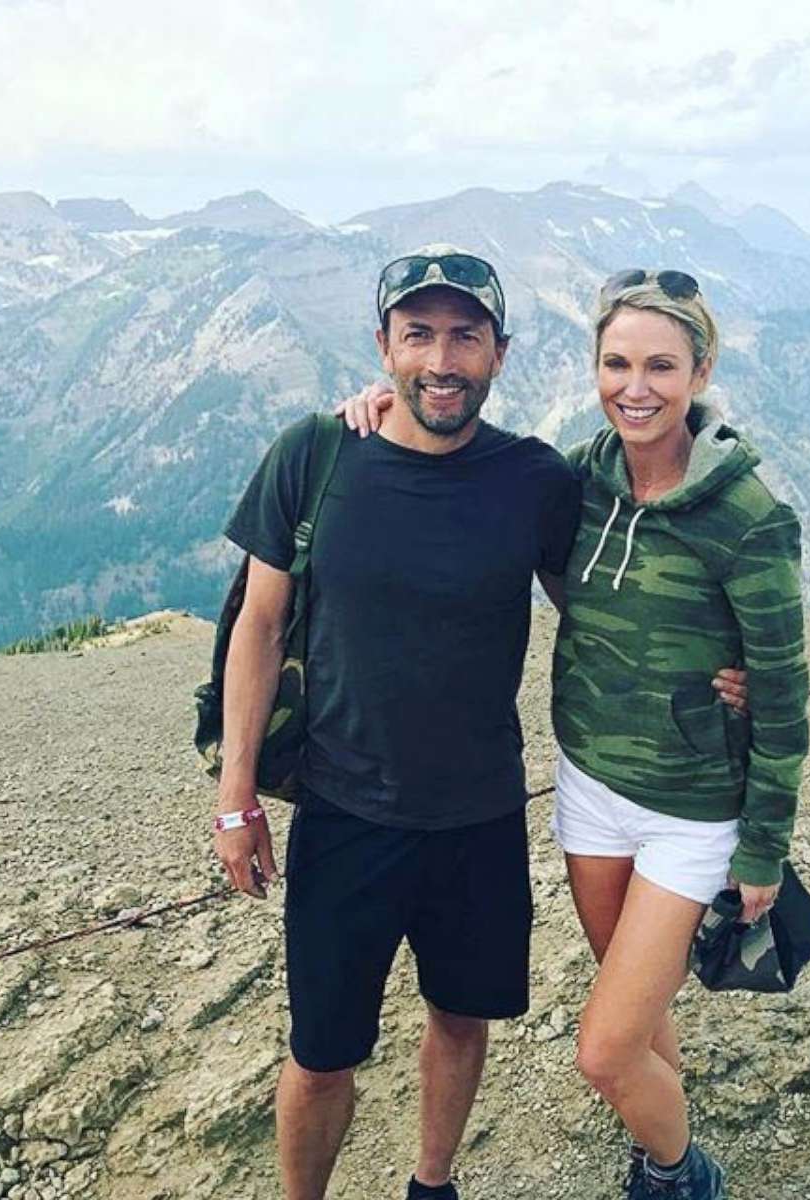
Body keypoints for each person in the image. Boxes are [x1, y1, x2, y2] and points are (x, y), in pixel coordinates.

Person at [343, 268, 808, 1200]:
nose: (635, 387)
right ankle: (657, 1134)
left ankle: (682, 1172)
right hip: (590, 787)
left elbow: (786, 697)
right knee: (633, 1022)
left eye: (661, 367)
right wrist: (377, 404)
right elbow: (478, 491)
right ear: (594, 366)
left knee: (601, 1051)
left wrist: (762, 849)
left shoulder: (749, 518)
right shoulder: (579, 478)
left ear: (700, 370)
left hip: (691, 811)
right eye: (616, 363)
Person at [212, 246, 585, 1200]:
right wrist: (235, 796)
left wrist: (727, 663)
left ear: (500, 354)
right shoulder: (317, 455)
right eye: (419, 334)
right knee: (322, 1049)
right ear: (383, 346)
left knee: (463, 1018)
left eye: (466, 336)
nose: (442, 360)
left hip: (479, 814)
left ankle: (432, 1185)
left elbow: (602, 602)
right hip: (343, 813)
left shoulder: (535, 480)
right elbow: (258, 625)